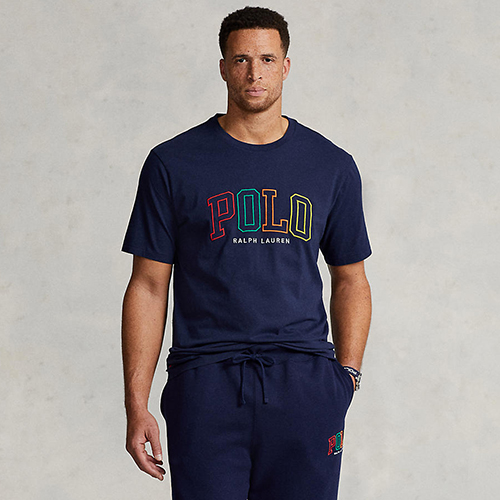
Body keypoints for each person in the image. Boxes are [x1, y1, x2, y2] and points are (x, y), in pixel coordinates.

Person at [121, 6, 372, 500]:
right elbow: (148, 286)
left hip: (305, 384)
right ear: (222, 67)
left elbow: (351, 278)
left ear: (286, 65)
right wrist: (136, 403)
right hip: (206, 383)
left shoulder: (331, 165)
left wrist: (346, 377)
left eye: (266, 59)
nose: (254, 73)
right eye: (241, 59)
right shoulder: (173, 162)